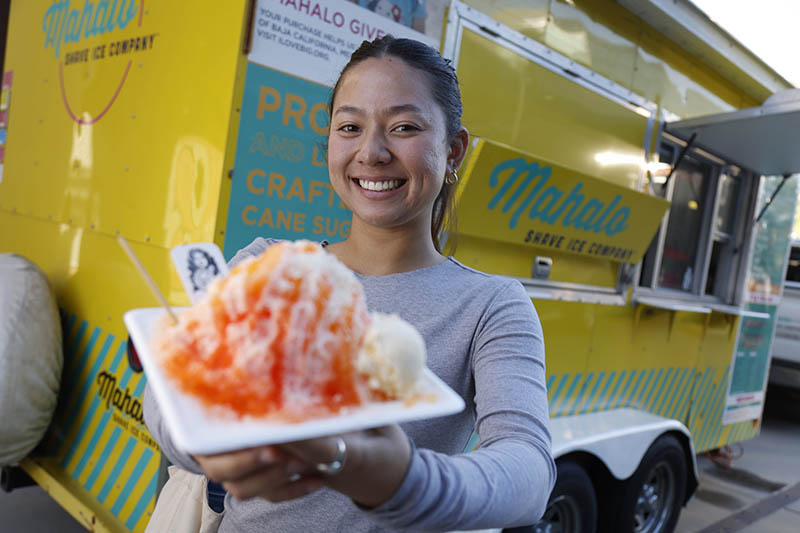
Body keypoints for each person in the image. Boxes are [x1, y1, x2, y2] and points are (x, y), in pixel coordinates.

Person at [144, 36, 555, 532]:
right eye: (350, 127)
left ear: (454, 150)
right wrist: (203, 445)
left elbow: (529, 472)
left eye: (404, 127)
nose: (372, 151)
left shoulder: (491, 306)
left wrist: (400, 482)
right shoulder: (267, 265)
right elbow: (171, 392)